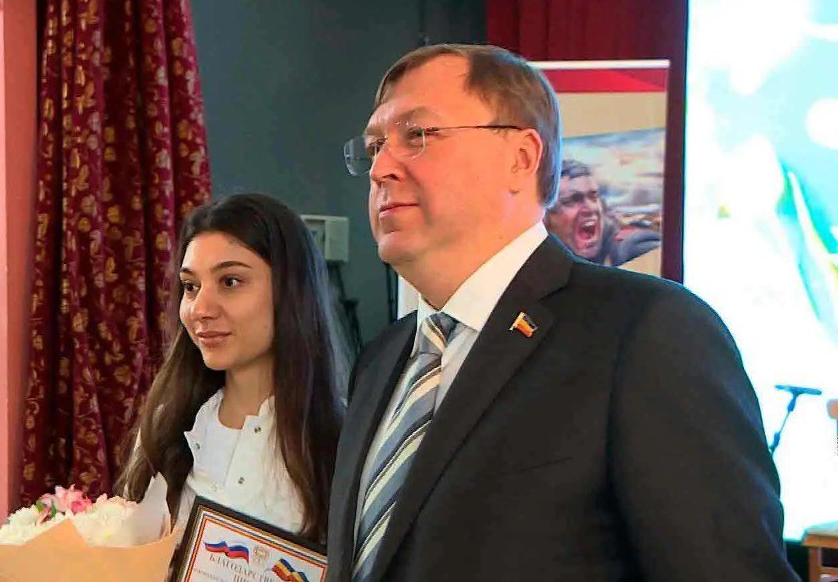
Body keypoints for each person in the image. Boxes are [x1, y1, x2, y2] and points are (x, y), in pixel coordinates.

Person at [329, 44, 796, 581]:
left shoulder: (644, 334)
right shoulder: (382, 361)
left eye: (417, 135)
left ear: (521, 158)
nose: (381, 168)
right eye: (375, 146)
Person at [116, 193, 347, 543]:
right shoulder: (163, 428)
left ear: (291, 291)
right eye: (191, 287)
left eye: (230, 282)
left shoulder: (343, 443)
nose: (200, 309)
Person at [545, 158, 661, 273]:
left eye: (593, 197)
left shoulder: (632, 247)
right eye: (572, 200)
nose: (591, 208)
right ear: (546, 218)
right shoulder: (547, 261)